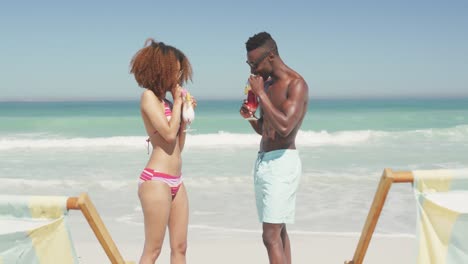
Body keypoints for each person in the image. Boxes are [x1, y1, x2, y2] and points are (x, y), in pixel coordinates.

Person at [240, 32, 309, 264]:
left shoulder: (296, 84)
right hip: (264, 162)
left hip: (283, 163)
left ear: (270, 56)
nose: (252, 70)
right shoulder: (267, 85)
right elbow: (266, 130)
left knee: (269, 236)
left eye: (254, 63)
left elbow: (286, 127)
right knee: (278, 232)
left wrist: (259, 93)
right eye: (248, 63)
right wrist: (251, 117)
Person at [130, 38, 196, 264]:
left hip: (177, 180)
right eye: (175, 72)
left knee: (180, 247)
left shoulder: (167, 102)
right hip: (156, 180)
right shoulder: (148, 97)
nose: (178, 78)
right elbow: (167, 135)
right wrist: (178, 102)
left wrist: (184, 119)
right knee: (153, 250)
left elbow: (177, 146)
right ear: (161, 70)